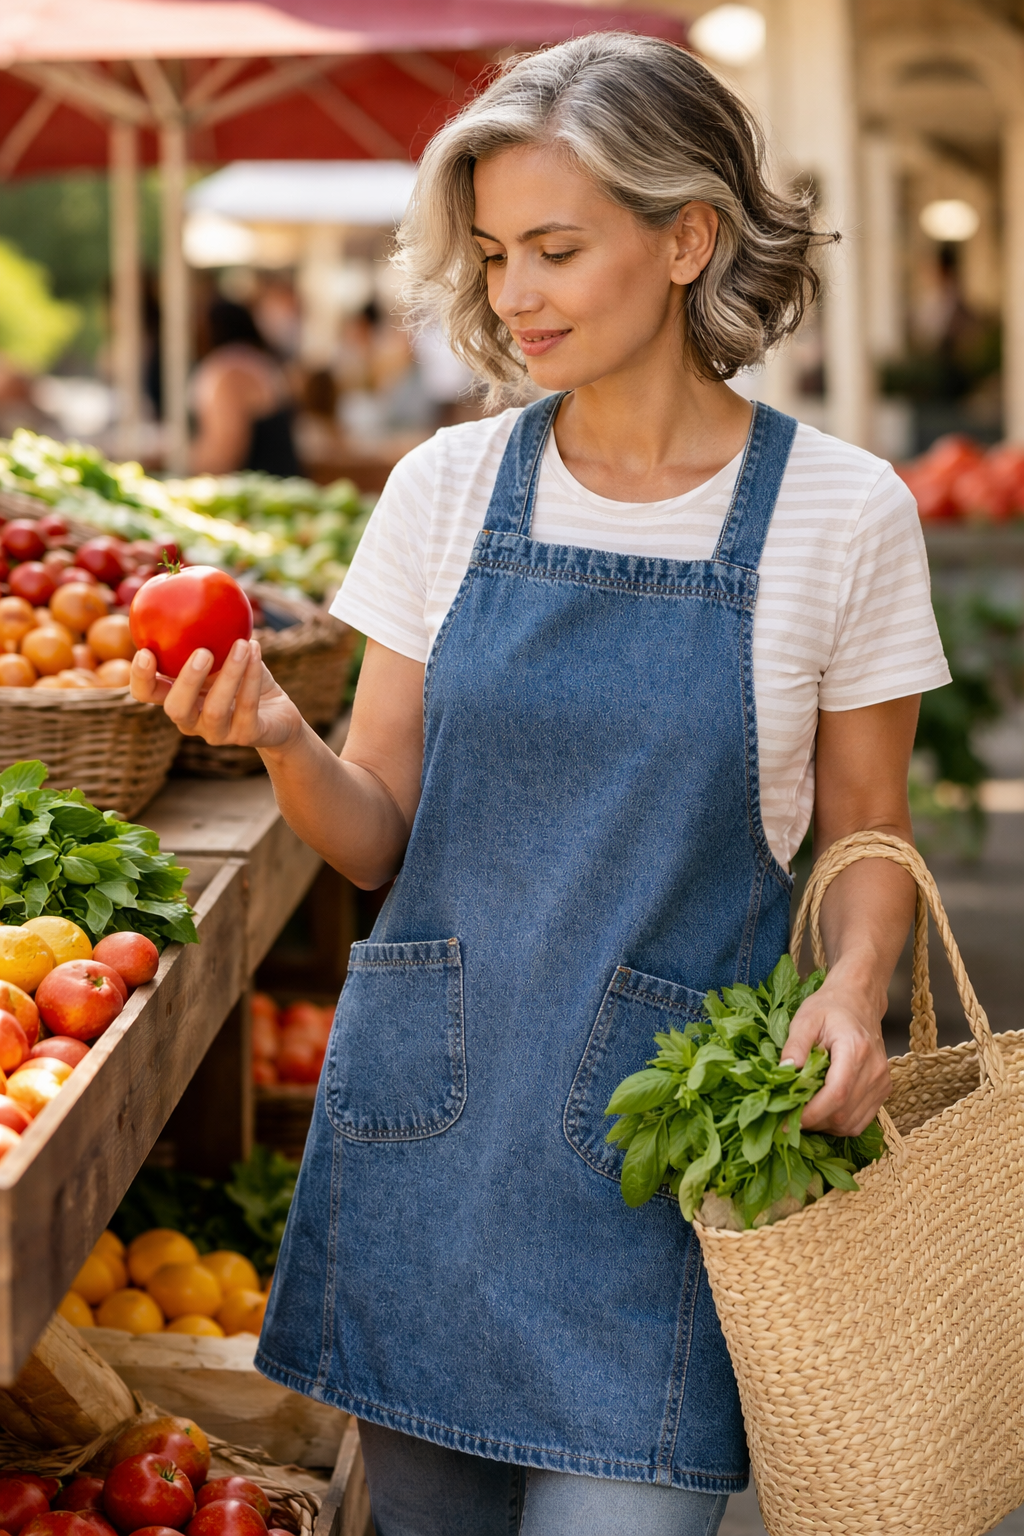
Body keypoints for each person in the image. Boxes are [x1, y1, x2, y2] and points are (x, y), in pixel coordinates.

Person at [131, 33, 950, 1536]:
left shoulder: (843, 514)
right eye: (497, 254)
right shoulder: (443, 490)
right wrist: (280, 738)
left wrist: (854, 986)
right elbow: (373, 835)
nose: (513, 296)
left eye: (556, 250)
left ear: (687, 238)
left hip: (663, 1170)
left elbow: (868, 833)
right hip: (432, 1153)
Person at [189, 298, 302, 476]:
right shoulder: (258, 361)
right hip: (276, 481)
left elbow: (225, 452)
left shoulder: (229, 370)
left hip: (258, 484)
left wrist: (182, 464)